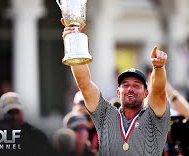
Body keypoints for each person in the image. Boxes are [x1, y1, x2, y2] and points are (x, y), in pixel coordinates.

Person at [61, 20, 171, 155]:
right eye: (126, 85)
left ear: (146, 93)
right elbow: (84, 84)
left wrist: (158, 68)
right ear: (118, 92)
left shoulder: (154, 117)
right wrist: (74, 42)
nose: (130, 88)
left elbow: (159, 91)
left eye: (137, 85)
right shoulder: (106, 115)